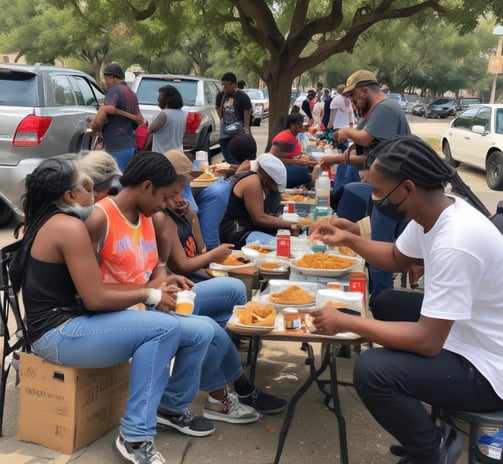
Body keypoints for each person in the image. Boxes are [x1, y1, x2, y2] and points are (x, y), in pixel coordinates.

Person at [310, 135, 503, 464]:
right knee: (386, 302)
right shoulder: (435, 210)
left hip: (488, 369)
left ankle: (431, 450)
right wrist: (349, 239)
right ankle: (421, 429)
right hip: (464, 331)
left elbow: (427, 341)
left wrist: (348, 321)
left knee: (373, 371)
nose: (374, 199)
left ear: (408, 189)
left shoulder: (456, 240)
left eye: (378, 192)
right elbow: (397, 257)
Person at [9, 156, 212, 464]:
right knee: (164, 328)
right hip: (58, 335)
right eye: (88, 185)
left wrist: (153, 288)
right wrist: (150, 294)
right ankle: (134, 436)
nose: (99, 189)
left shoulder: (51, 219)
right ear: (69, 196)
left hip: (68, 323)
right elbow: (94, 298)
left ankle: (166, 409)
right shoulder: (68, 228)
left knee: (192, 332)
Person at [85, 151, 287, 420]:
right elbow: (94, 291)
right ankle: (218, 395)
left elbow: (160, 266)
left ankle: (224, 390)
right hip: (130, 307)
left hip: (151, 296)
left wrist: (166, 278)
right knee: (209, 328)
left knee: (232, 292)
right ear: (148, 187)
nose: (172, 200)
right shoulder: (108, 218)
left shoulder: (148, 215)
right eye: (168, 195)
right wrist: (156, 291)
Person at [319, 69, 411, 305]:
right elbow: (369, 157)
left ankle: (381, 306)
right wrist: (335, 160)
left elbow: (365, 139)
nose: (352, 102)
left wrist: (347, 131)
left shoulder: (385, 109)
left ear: (365, 90)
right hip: (382, 189)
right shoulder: (375, 112)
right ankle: (377, 301)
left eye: (353, 97)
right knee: (370, 238)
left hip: (394, 192)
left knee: (379, 252)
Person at [219, 153, 300, 248]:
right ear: (266, 180)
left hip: (244, 226)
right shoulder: (253, 182)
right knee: (284, 246)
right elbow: (259, 219)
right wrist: (294, 225)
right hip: (235, 231)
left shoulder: (252, 177)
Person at [196, 134, 258, 250]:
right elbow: (259, 218)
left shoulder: (232, 181)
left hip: (229, 233)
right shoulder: (252, 178)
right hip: (238, 233)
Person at [90, 63, 142, 171]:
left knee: (115, 179)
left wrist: (95, 125)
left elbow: (107, 109)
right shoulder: (131, 93)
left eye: (106, 79)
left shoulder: (114, 90)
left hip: (116, 145)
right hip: (129, 145)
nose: (106, 83)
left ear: (112, 78)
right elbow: (139, 121)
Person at [267, 113, 317, 188]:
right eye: (299, 125)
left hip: (287, 167)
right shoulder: (283, 138)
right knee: (304, 173)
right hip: (279, 170)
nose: (302, 127)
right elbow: (271, 158)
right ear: (292, 125)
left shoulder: (293, 136)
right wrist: (297, 162)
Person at [216, 72, 252, 164]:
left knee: (238, 158)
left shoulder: (242, 97)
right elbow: (217, 107)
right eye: (222, 85)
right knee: (227, 157)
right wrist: (221, 119)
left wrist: (247, 131)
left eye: (226, 85)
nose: (224, 88)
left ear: (234, 84)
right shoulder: (221, 95)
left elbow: (247, 114)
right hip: (225, 132)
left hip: (238, 133)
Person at [146, 85, 186, 153]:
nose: (158, 99)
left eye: (160, 96)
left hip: (162, 154)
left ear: (167, 99)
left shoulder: (165, 114)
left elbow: (149, 131)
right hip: (178, 153)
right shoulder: (183, 113)